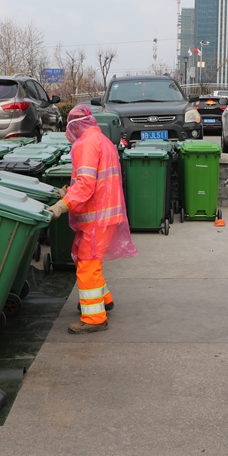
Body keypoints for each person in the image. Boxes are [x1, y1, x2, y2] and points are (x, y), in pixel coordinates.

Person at [46, 104, 136, 334]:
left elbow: (86, 183)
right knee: (86, 258)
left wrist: (62, 205)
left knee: (87, 262)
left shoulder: (85, 144)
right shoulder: (101, 140)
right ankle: (103, 298)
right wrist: (68, 191)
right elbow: (94, 180)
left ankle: (95, 318)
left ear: (74, 127)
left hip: (97, 215)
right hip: (105, 211)